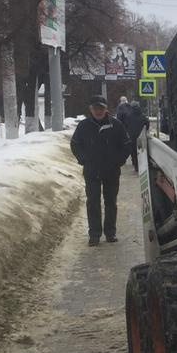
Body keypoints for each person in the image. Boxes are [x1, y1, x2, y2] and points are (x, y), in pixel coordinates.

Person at [70, 95, 129, 245]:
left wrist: (119, 160)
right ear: (91, 109)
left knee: (111, 202)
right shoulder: (84, 126)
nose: (98, 111)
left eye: (101, 108)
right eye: (96, 108)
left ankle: (110, 233)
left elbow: (127, 144)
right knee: (93, 203)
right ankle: (94, 235)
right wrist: (83, 159)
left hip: (112, 171)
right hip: (92, 171)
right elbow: (75, 144)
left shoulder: (116, 125)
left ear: (106, 109)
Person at [119, 100, 149, 172]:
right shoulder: (143, 116)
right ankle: (142, 166)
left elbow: (125, 126)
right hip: (141, 137)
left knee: (133, 152)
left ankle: (136, 166)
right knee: (142, 151)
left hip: (132, 137)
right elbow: (147, 124)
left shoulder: (128, 116)